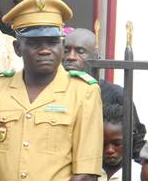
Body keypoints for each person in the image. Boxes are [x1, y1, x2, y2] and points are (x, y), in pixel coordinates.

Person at [0, 0, 103, 181]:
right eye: (35, 43)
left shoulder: (83, 92)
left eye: (52, 42)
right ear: (18, 47)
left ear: (61, 45)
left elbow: (85, 173)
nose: (45, 50)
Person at [63, 27, 147, 161]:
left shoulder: (116, 94)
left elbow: (135, 141)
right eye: (66, 50)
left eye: (80, 51)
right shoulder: (53, 92)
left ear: (96, 57)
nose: (71, 57)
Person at [98, 102, 144, 181]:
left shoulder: (139, 175)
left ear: (129, 139)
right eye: (103, 144)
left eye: (117, 143)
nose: (109, 150)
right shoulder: (91, 174)